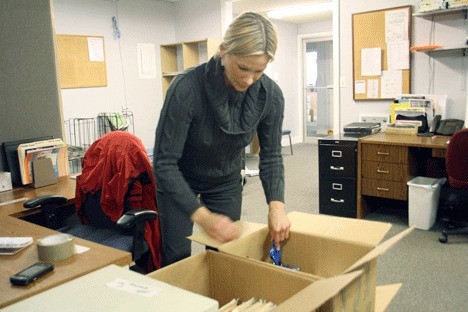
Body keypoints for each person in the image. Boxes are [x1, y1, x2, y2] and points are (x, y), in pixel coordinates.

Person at [153, 12, 290, 267]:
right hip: (179, 178)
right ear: (224, 51)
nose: (249, 80)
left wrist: (276, 205)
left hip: (225, 179)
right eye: (243, 68)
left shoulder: (271, 95)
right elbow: (164, 164)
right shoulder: (185, 89)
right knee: (176, 258)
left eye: (259, 71)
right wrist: (204, 218)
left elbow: (271, 156)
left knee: (225, 258)